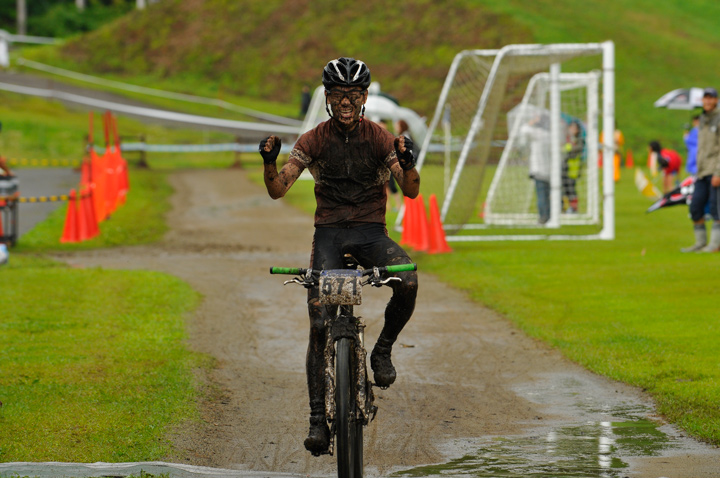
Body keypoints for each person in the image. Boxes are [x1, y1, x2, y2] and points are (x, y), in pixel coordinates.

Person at [259, 57, 420, 455]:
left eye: (353, 95)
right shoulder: (313, 139)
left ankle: (381, 350)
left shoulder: (380, 138)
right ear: (327, 98)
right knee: (318, 322)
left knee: (410, 281)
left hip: (370, 234)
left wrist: (410, 164)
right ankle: (317, 418)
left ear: (364, 97)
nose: (345, 102)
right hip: (329, 234)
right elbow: (279, 189)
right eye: (337, 95)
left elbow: (411, 190)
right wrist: (268, 162)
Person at [682, 87, 720, 253]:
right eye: (706, 98)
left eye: (711, 98)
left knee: (716, 208)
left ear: (716, 100)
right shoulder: (703, 119)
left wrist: (718, 172)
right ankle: (700, 242)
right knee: (695, 207)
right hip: (702, 171)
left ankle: (715, 244)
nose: (708, 101)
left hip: (715, 170)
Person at [520, 114, 551, 224]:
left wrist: (532, 121)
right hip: (550, 171)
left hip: (539, 169)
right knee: (548, 195)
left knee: (541, 195)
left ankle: (543, 217)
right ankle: (548, 216)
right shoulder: (550, 135)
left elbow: (523, 129)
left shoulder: (538, 133)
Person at [562, 120, 585, 213]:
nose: (572, 130)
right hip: (563, 168)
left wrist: (569, 148)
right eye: (571, 128)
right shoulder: (565, 139)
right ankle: (564, 207)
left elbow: (576, 150)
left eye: (575, 128)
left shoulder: (579, 140)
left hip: (573, 169)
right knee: (563, 189)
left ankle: (574, 208)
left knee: (571, 189)